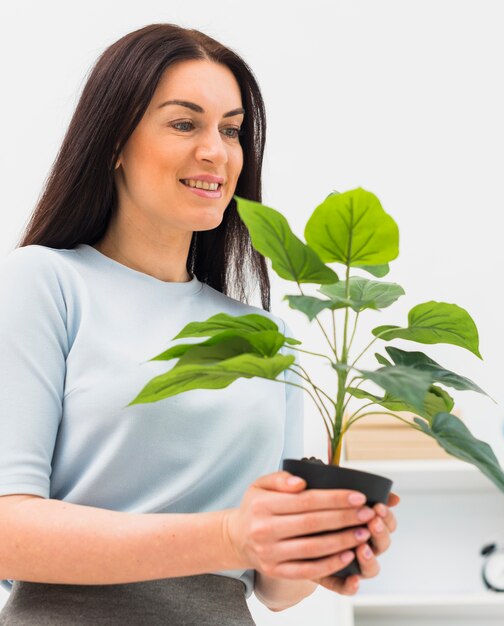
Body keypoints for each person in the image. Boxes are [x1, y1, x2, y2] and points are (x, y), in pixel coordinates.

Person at [0, 23, 398, 625]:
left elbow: (275, 590)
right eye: (185, 123)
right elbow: (7, 528)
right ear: (114, 141)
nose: (216, 151)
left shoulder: (267, 337)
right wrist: (232, 536)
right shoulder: (44, 283)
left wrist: (320, 546)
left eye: (231, 130)